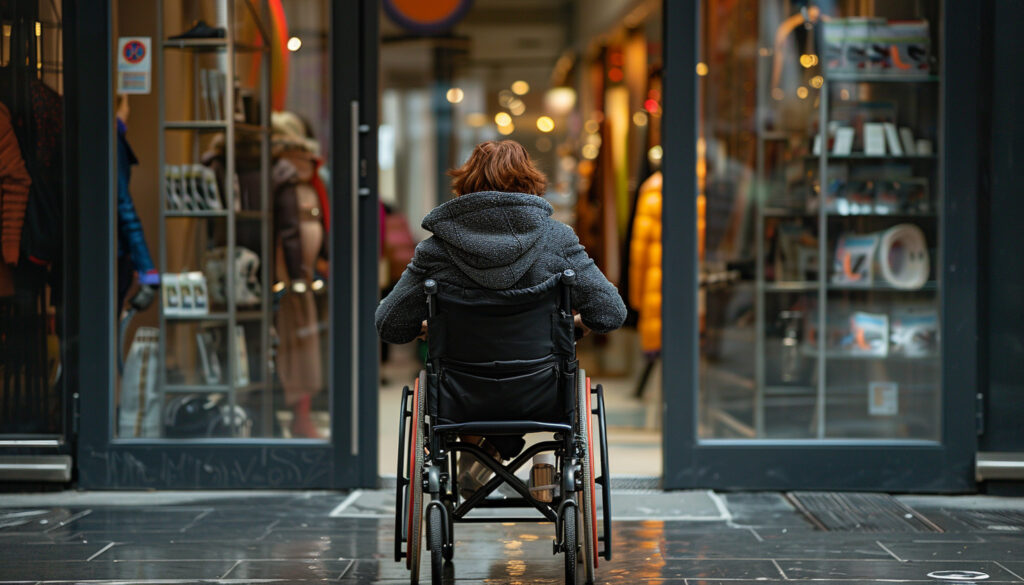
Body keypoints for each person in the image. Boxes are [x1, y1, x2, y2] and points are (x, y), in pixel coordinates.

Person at [375, 140, 626, 497]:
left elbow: (390, 324)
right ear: (530, 182)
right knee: (543, 373)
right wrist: (576, 326)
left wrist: (429, 329)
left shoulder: (436, 248)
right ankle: (522, 463)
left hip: (460, 394)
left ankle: (480, 454)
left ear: (466, 184)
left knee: (467, 378)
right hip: (540, 391)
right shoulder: (557, 240)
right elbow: (611, 313)